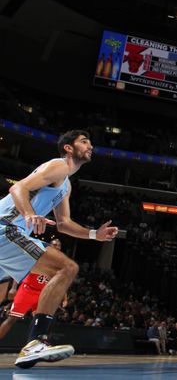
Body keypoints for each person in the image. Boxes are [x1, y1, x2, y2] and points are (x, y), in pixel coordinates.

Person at [0, 129, 118, 368]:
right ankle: (35, 342)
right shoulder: (58, 166)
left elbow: (64, 224)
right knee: (66, 267)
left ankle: (34, 345)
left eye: (90, 142)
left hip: (10, 232)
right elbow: (17, 188)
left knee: (62, 269)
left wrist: (95, 234)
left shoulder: (66, 184)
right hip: (6, 227)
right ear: (68, 148)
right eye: (84, 141)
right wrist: (29, 213)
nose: (90, 146)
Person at [0, 238, 68, 341]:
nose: (56, 247)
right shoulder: (38, 254)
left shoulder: (60, 262)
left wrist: (65, 297)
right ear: (49, 246)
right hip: (28, 290)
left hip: (42, 294)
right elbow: (20, 268)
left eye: (58, 245)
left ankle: (31, 346)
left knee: (42, 320)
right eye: (54, 245)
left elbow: (61, 282)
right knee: (12, 318)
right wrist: (13, 288)